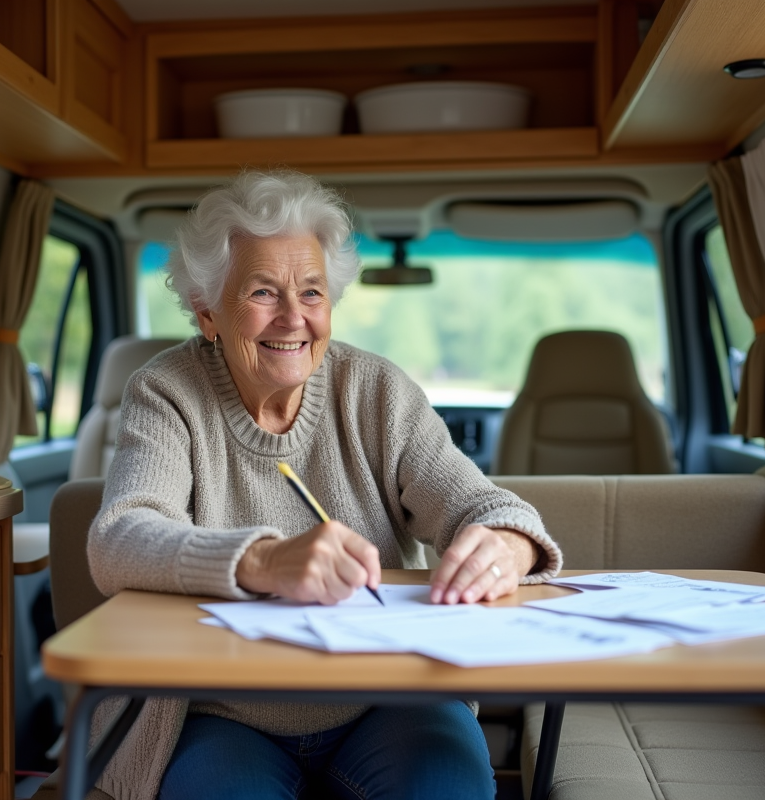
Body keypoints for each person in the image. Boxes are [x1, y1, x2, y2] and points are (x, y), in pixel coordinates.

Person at [87, 169, 563, 800]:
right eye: (262, 292)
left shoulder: (378, 391)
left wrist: (506, 543)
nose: (293, 318)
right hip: (225, 711)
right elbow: (119, 538)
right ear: (207, 313)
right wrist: (263, 561)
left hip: (389, 697)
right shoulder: (166, 391)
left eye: (311, 292)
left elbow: (483, 503)